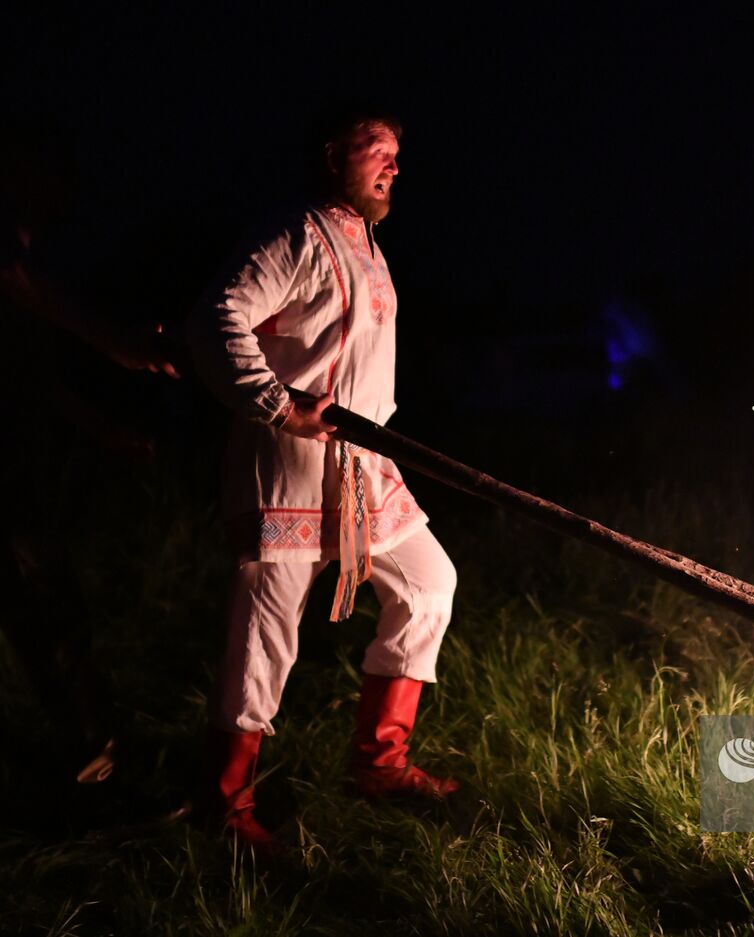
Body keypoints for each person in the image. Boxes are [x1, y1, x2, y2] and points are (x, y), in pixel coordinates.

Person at [187, 113, 460, 852]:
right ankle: (225, 807)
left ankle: (379, 763)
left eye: (400, 156)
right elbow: (218, 316)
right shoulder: (298, 233)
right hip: (289, 461)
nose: (395, 167)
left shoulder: (367, 244)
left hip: (364, 465)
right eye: (381, 151)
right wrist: (279, 403)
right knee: (266, 631)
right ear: (334, 153)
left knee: (430, 581)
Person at [1, 126, 179, 789]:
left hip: (21, 460)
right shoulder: (15, 269)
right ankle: (96, 760)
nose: (62, 193)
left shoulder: (25, 266)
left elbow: (29, 378)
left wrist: (100, 426)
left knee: (44, 602)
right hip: (10, 472)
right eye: (46, 173)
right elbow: (25, 291)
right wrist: (114, 341)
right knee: (44, 597)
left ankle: (91, 750)